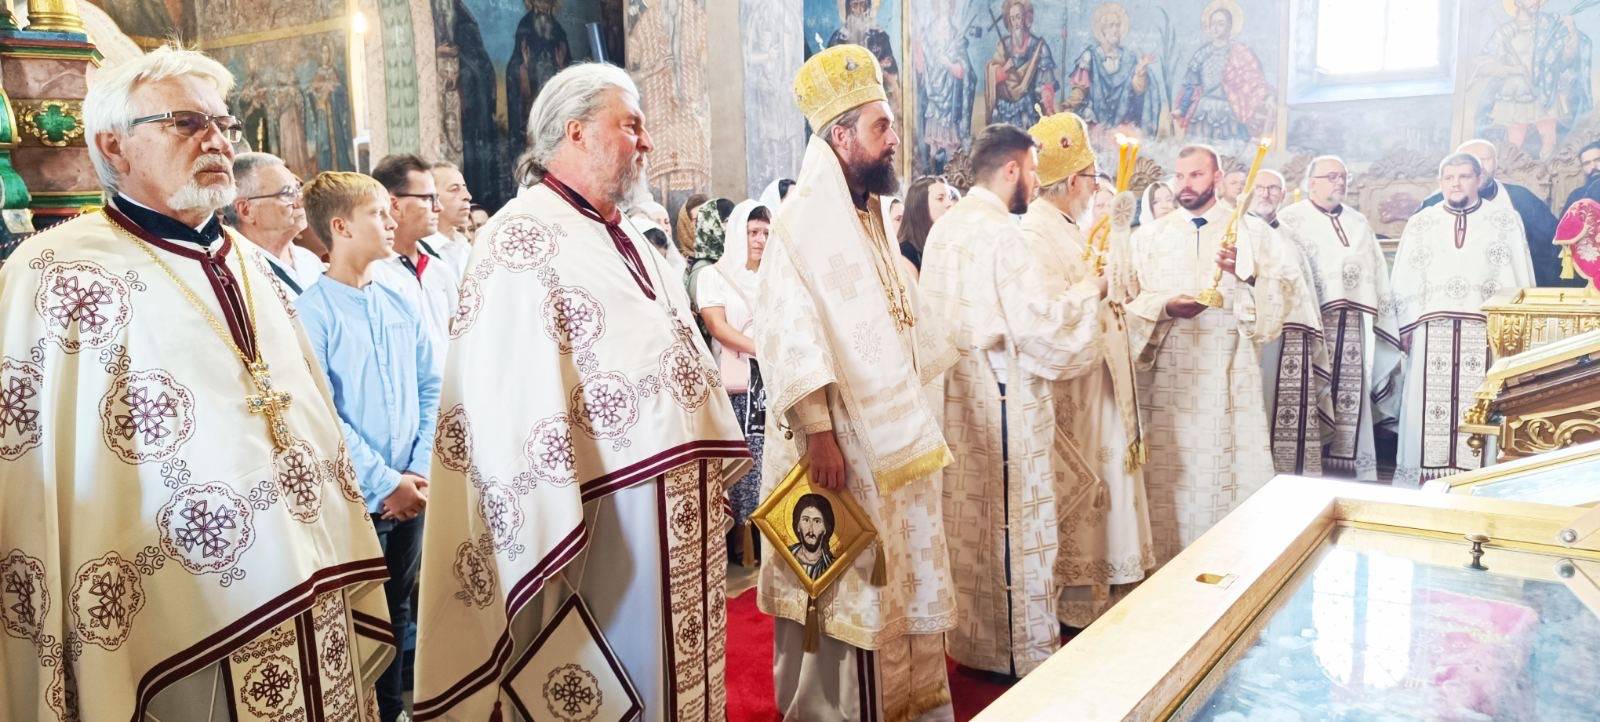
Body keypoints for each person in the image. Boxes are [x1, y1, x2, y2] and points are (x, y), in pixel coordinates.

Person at [0, 46, 390, 719]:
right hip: (179, 612)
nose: (217, 140)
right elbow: (35, 469)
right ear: (114, 146)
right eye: (186, 123)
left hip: (312, 574)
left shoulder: (247, 261)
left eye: (223, 123)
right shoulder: (57, 273)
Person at [413, 62, 750, 720]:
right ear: (577, 131)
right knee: (625, 676)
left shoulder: (629, 236)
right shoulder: (518, 239)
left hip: (679, 507)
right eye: (631, 125)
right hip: (602, 520)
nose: (646, 142)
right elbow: (506, 402)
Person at [754, 44, 959, 721]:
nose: (894, 138)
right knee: (845, 585)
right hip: (839, 446)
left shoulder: (868, 217)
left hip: (888, 446)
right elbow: (788, 335)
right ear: (841, 137)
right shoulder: (802, 228)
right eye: (881, 126)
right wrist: (819, 434)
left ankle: (908, 704)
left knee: (898, 578)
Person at [922, 120, 1102, 677]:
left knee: (970, 523)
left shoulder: (947, 229)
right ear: (1011, 169)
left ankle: (976, 644)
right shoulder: (1005, 234)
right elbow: (1038, 326)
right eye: (1032, 169)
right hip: (1005, 398)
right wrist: (1090, 291)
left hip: (958, 397)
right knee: (1013, 522)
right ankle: (1021, 652)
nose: (1036, 181)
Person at [295, 172, 437, 722]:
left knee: (400, 606)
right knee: (361, 615)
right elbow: (323, 412)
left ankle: (393, 710)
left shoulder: (399, 301)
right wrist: (385, 482)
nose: (391, 221)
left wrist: (418, 471)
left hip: (411, 489)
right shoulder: (313, 312)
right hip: (359, 496)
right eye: (377, 213)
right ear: (341, 227)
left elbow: (431, 386)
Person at [1127, 144, 1297, 565]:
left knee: (1223, 468)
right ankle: (1161, 568)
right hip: (1167, 381)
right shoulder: (1148, 237)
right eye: (1180, 176)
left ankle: (1228, 562)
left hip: (1228, 372)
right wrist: (1165, 307)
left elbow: (1283, 297)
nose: (1185, 185)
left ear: (1218, 178)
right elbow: (1127, 304)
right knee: (1168, 476)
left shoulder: (1253, 233)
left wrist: (1247, 274)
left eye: (1196, 175)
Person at [1019, 112, 1154, 628]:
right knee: (1086, 494)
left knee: (1113, 482)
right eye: (1092, 177)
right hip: (1073, 394)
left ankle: (1107, 594)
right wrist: (1096, 286)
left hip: (1101, 382)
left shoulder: (1068, 229)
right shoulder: (1034, 235)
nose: (1096, 187)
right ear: (1073, 180)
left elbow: (1117, 291)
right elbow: (1044, 319)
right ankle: (1078, 604)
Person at [1393, 153, 1535, 486]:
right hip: (1430, 330)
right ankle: (1425, 479)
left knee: (1482, 402)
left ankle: (1478, 478)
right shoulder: (1421, 222)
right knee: (1426, 406)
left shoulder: (1505, 220)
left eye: (1464, 176)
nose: (1455, 184)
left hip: (1483, 329)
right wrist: (1404, 325)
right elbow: (1404, 277)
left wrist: (1513, 329)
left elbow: (1519, 273)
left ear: (1479, 179)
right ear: (1440, 182)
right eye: (1449, 177)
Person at [1277, 156, 1404, 480]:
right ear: (1312, 182)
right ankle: (1306, 468)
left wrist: (1385, 320)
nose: (1339, 182)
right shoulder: (1290, 220)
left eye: (1343, 176)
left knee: (1349, 396)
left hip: (1351, 327)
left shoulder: (1358, 222)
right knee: (1307, 393)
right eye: (1331, 176)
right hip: (1309, 325)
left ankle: (1345, 470)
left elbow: (1377, 273)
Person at [696, 200, 771, 567]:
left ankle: (770, 538)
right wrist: (760, 349)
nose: (760, 240)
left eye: (766, 233)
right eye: (753, 232)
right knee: (744, 465)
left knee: (769, 462)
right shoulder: (715, 276)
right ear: (738, 233)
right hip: (738, 386)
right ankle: (740, 543)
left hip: (772, 383)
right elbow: (717, 325)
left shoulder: (774, 275)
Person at [1250, 168, 1333, 477]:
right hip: (1254, 334)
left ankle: (1288, 474)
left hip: (1294, 334)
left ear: (1283, 195)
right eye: (1260, 187)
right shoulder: (1239, 230)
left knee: (1288, 409)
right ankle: (1256, 475)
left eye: (1273, 188)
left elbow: (1305, 288)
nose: (1266, 193)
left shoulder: (1291, 237)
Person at [1418, 139, 1569, 287]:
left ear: (1496, 163)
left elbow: (1552, 249)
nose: (1478, 166)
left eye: (1484, 159)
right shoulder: (1433, 204)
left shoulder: (1521, 199)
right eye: (1469, 159)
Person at [368, 154, 459, 371]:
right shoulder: (372, 274)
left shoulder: (439, 268)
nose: (438, 208)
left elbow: (456, 334)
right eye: (428, 198)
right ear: (394, 204)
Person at [226, 151, 323, 297]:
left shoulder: (309, 260)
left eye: (298, 189)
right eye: (287, 193)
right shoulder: (234, 274)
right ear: (246, 210)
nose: (301, 201)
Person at [897, 175, 958, 271]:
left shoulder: (949, 243)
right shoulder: (906, 252)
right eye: (940, 198)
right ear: (920, 206)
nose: (950, 204)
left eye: (949, 197)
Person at [427, 160, 475, 279]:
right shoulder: (422, 251)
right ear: (430, 197)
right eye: (454, 189)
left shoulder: (465, 246)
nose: (468, 196)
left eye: (464, 188)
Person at [789, 494, 837, 579]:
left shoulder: (832, 565)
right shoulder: (785, 555)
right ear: (798, 526)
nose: (810, 530)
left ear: (825, 528)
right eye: (806, 520)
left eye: (817, 521)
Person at [1564, 141, 1600, 213]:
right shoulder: (1576, 196)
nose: (1593, 166)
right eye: (1587, 163)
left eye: (1597, 160)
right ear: (1582, 168)